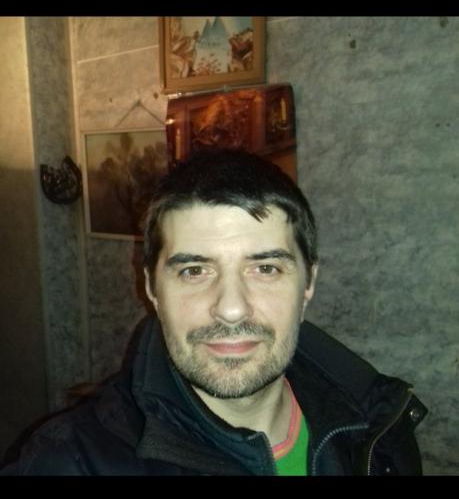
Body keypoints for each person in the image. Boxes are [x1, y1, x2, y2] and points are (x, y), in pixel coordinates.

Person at [0, 148, 426, 476]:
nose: (231, 308)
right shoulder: (69, 461)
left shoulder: (380, 423)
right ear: (151, 288)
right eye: (194, 270)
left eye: (265, 268)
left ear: (308, 284)